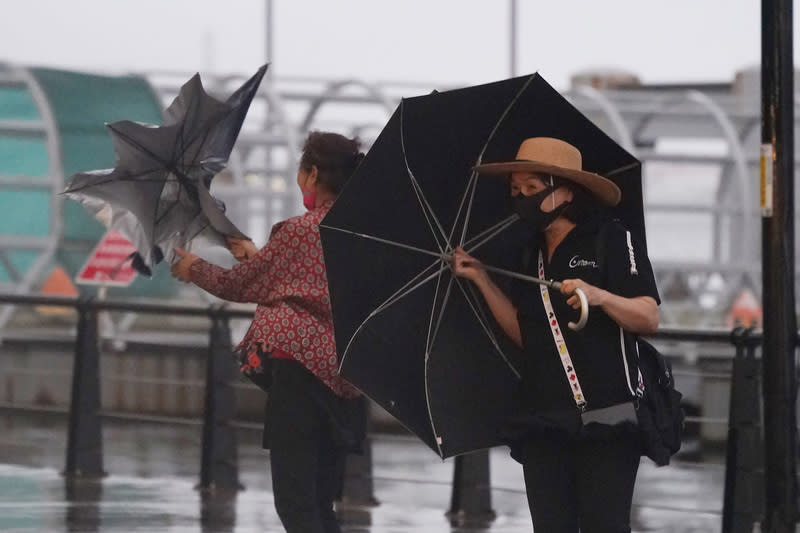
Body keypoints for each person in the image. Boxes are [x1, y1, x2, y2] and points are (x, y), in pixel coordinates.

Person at [453, 137, 660, 533]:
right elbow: (526, 335)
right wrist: (481, 279)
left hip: (608, 419)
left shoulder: (611, 238)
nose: (521, 198)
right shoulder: (527, 253)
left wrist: (599, 296)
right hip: (543, 419)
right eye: (516, 190)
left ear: (565, 191)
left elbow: (647, 317)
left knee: (606, 525)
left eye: (532, 189)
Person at [171, 131, 366, 533]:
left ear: (311, 173)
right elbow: (312, 285)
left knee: (295, 504)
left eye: (300, 172)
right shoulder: (362, 234)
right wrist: (257, 255)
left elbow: (240, 286)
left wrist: (194, 268)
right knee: (321, 501)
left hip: (299, 379)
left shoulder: (300, 231)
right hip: (345, 378)